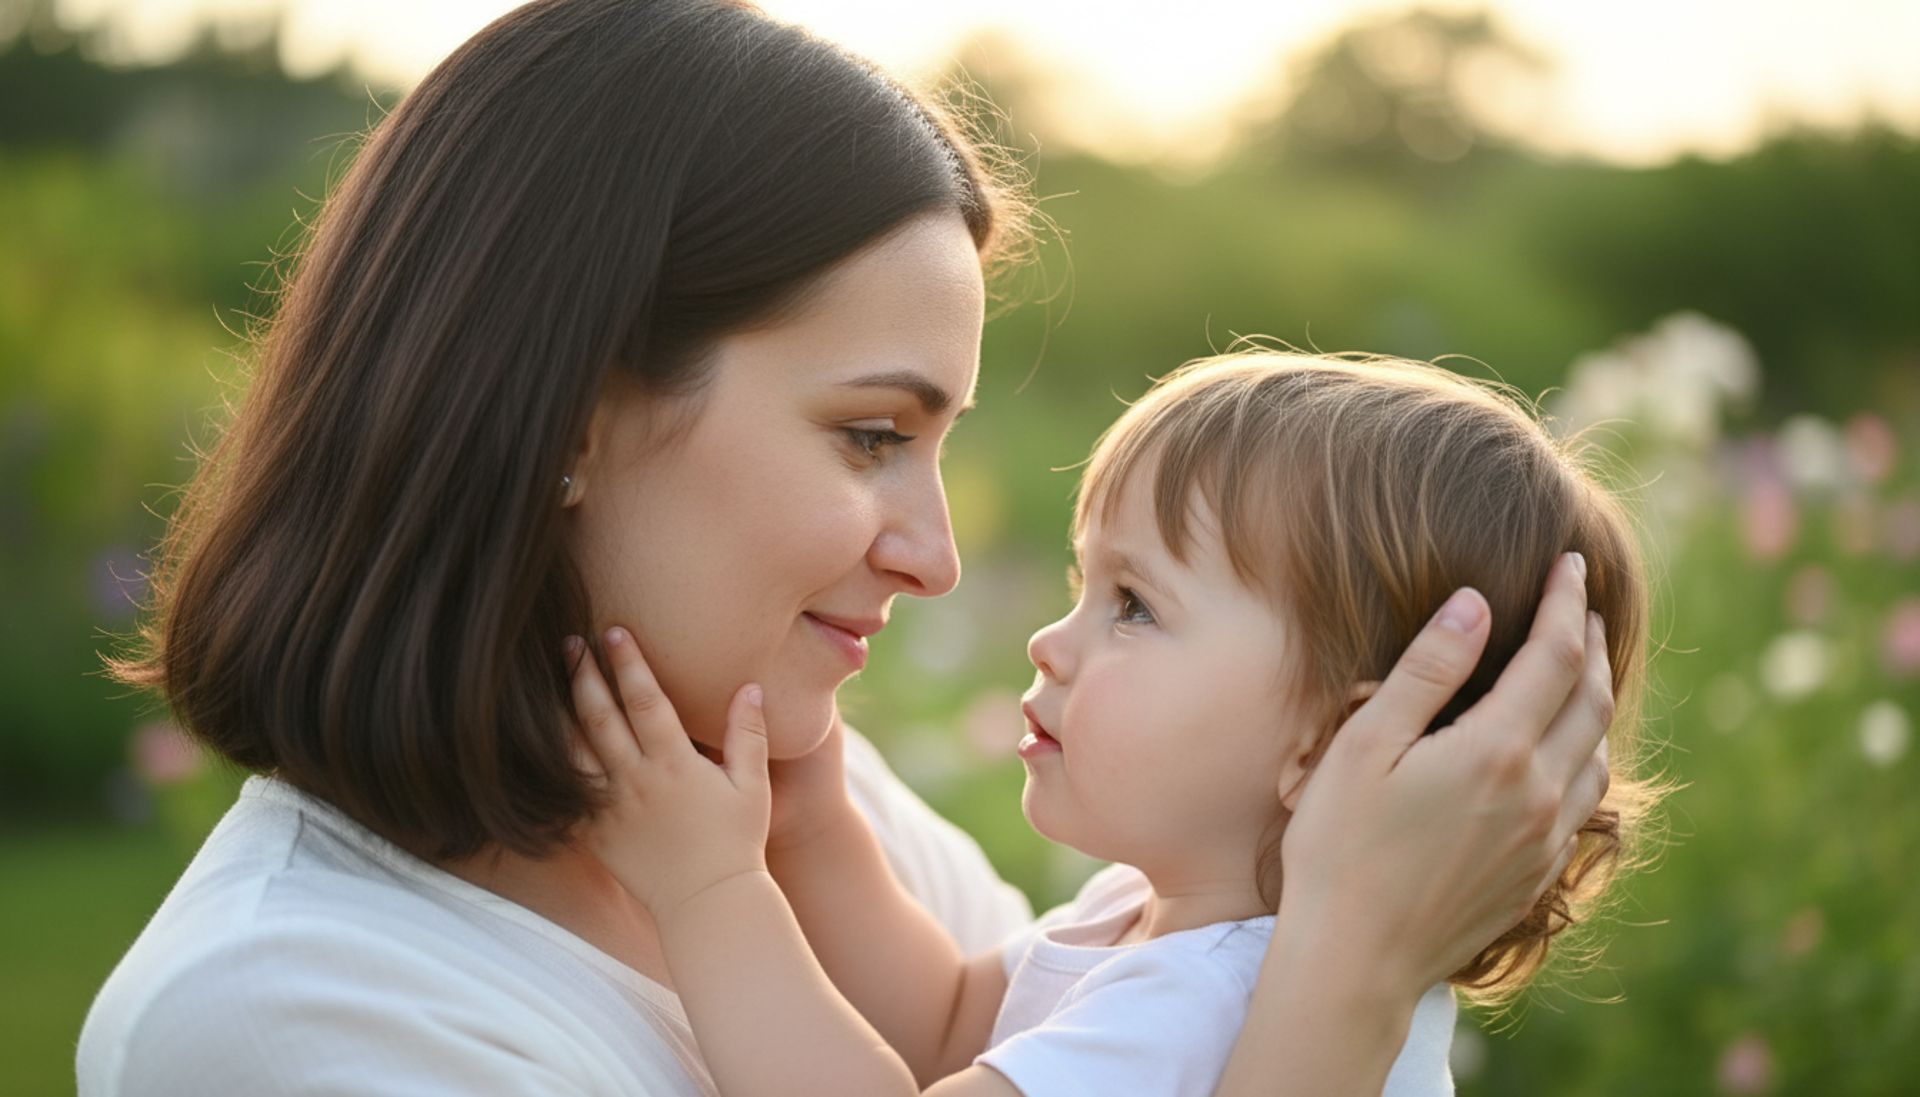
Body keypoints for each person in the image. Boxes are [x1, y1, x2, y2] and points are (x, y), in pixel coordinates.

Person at [79, 1, 1619, 1094]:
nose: (941, 560)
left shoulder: (802, 771)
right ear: (567, 413)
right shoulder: (283, 1019)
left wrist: (780, 838)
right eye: (872, 436)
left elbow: (956, 1043)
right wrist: (1341, 978)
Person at [565, 353, 1656, 1097]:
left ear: (1334, 745)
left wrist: (709, 889)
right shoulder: (1159, 913)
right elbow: (951, 1025)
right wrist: (812, 826)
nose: (1052, 640)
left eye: (1134, 604)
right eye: (1086, 586)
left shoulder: (1203, 1000)